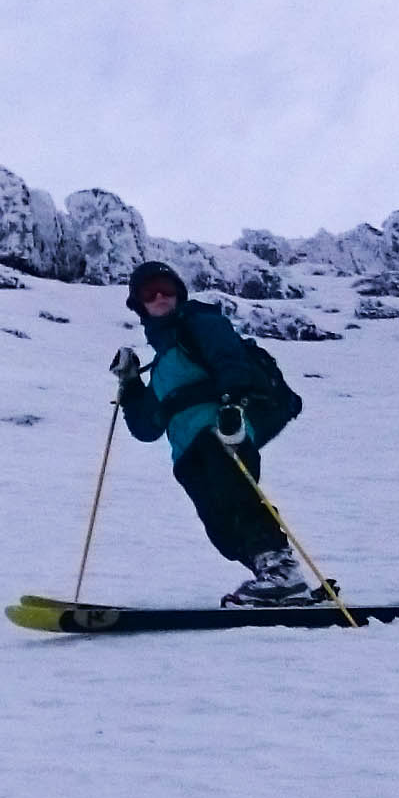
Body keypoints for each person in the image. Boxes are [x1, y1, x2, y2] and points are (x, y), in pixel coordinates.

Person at [110, 260, 321, 606]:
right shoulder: (162, 368)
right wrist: (130, 382)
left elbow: (229, 358)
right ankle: (273, 579)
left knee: (237, 499)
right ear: (139, 305)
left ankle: (282, 575)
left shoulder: (200, 321)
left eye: (166, 288)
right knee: (220, 526)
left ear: (179, 293)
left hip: (220, 431)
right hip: (187, 455)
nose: (160, 296)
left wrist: (231, 404)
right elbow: (145, 428)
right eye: (149, 292)